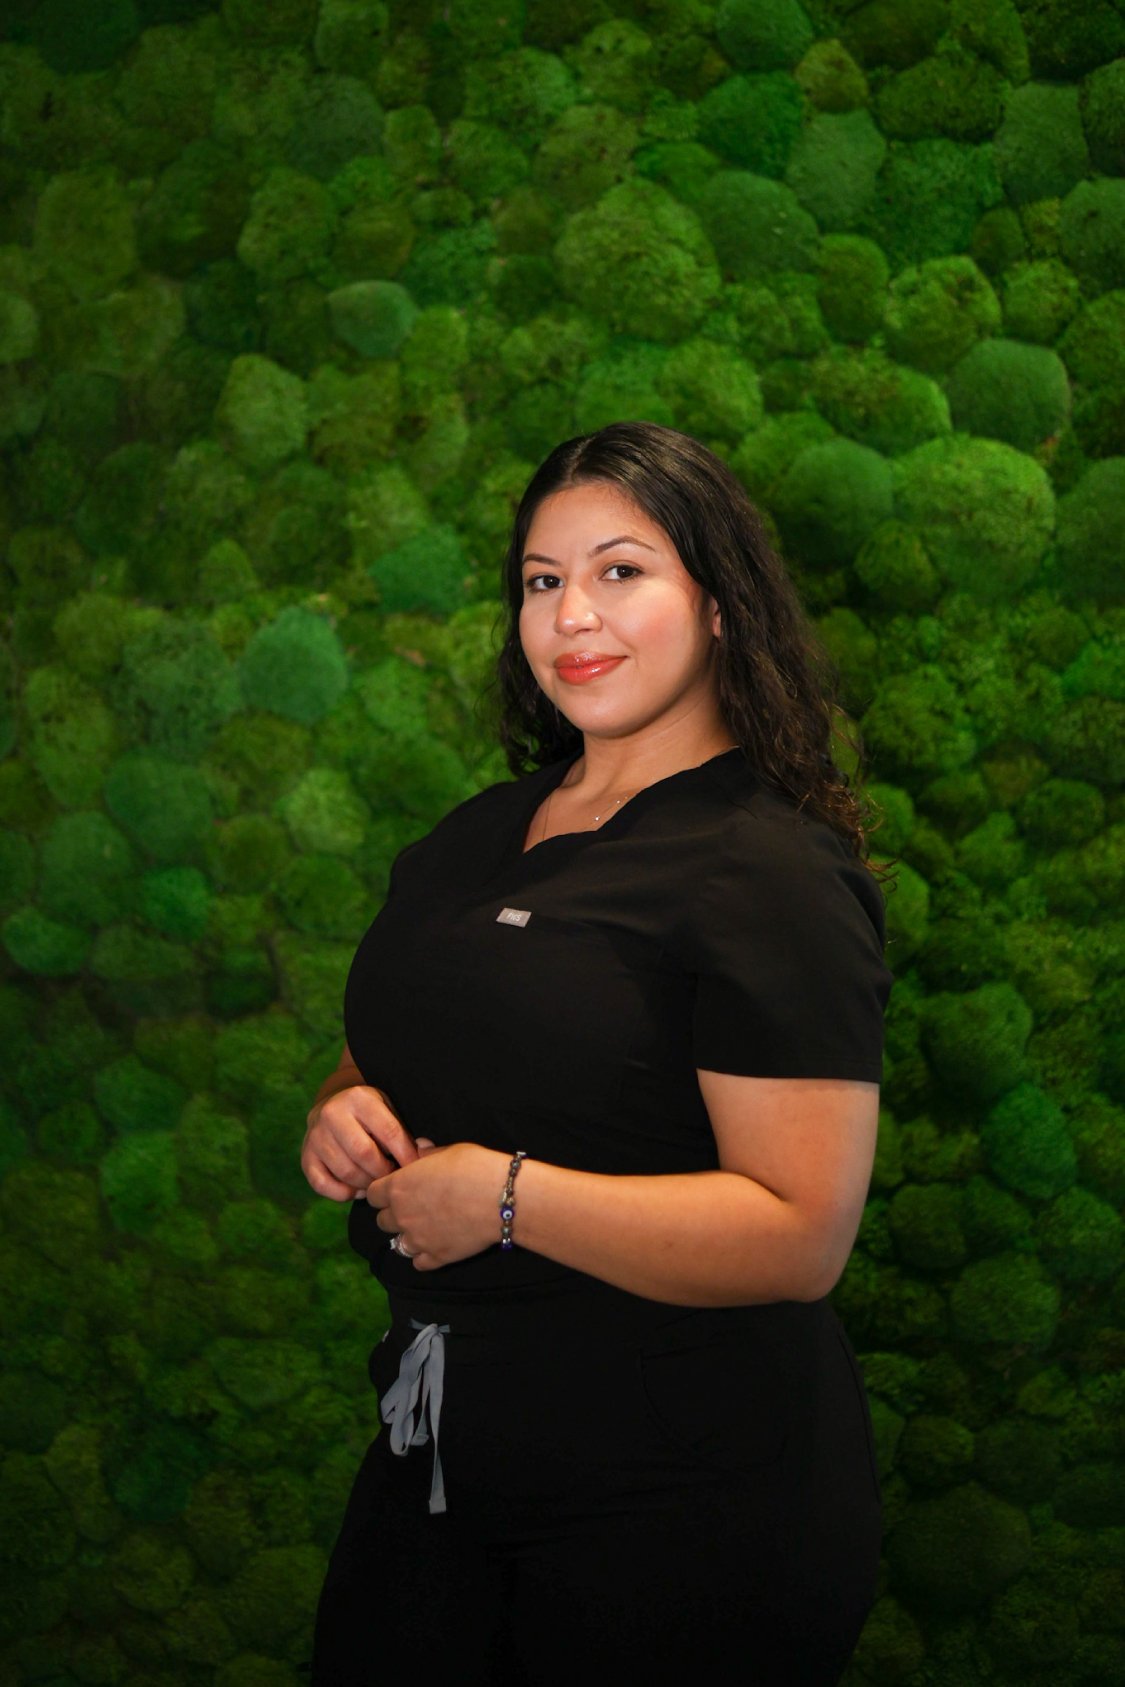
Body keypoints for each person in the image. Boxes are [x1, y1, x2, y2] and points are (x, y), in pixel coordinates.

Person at [302, 421, 895, 1686]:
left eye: (622, 571)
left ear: (721, 604)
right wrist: (344, 1107)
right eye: (543, 579)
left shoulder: (767, 871)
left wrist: (507, 1201)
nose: (573, 614)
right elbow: (388, 1050)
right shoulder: (477, 833)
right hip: (440, 1460)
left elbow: (801, 1231)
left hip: (681, 1500)